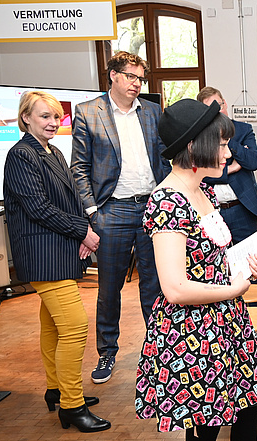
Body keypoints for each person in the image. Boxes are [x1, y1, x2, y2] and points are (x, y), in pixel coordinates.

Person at [136, 98, 257, 441]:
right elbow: (175, 288)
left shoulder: (203, 191)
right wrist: (234, 289)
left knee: (249, 405)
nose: (228, 154)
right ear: (195, 145)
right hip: (193, 331)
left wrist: (249, 266)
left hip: (226, 321)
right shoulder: (168, 201)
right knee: (207, 424)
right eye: (223, 144)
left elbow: (212, 259)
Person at [4, 91, 110, 432]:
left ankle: (57, 389)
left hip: (58, 248)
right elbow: (37, 208)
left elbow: (70, 200)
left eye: (55, 117)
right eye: (44, 116)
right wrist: (83, 231)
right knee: (76, 326)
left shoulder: (53, 151)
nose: (52, 123)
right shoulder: (21, 155)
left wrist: (84, 229)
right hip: (41, 254)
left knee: (52, 325)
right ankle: (72, 406)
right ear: (26, 118)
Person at [71, 51, 171, 384]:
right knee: (109, 286)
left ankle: (160, 352)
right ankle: (107, 353)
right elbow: (79, 168)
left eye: (141, 79)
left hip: (152, 206)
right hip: (111, 209)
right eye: (131, 76)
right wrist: (92, 212)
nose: (137, 84)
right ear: (113, 75)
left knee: (155, 285)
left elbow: (166, 159)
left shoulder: (154, 112)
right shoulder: (89, 112)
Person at [197, 86, 257, 349]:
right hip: (214, 213)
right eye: (211, 109)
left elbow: (254, 161)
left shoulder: (242, 129)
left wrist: (228, 138)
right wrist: (231, 168)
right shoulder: (199, 136)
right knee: (221, 271)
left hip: (242, 209)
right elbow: (204, 174)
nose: (218, 111)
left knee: (256, 265)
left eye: (220, 106)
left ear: (225, 104)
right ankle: (231, 330)